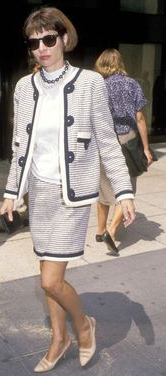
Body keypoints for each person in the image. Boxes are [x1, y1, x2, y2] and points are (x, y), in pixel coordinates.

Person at [0, 8, 135, 372]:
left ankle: (83, 326)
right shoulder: (24, 88)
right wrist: (12, 192)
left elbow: (108, 143)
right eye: (34, 42)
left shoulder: (90, 83)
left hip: (71, 194)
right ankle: (59, 340)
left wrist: (123, 191)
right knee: (50, 279)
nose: (41, 48)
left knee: (50, 279)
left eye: (48, 39)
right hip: (39, 194)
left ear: (64, 38)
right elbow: (19, 147)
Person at [94, 48, 153, 254]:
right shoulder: (132, 84)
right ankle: (111, 231)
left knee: (103, 188)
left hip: (105, 140)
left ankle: (100, 230)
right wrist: (146, 148)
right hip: (127, 140)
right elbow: (139, 118)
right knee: (125, 188)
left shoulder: (99, 86)